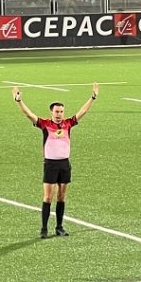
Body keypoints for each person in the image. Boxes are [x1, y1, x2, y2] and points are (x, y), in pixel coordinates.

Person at [13, 84, 99, 238]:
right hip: (51, 164)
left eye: (61, 111)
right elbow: (29, 114)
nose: (59, 114)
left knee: (61, 197)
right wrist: (19, 101)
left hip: (65, 164)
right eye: (57, 111)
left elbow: (83, 111)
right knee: (48, 197)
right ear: (51, 112)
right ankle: (44, 229)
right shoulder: (45, 124)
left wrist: (92, 98)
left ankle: (59, 227)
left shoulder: (68, 124)